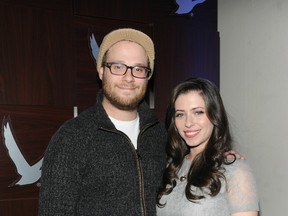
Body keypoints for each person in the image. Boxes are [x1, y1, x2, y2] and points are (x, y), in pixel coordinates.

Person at [38, 28, 167, 216]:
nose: (129, 77)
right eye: (118, 66)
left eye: (139, 69)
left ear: (147, 76)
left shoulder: (161, 134)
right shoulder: (72, 137)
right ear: (101, 71)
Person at [156, 78, 259, 216]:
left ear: (214, 115)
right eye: (180, 114)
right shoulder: (170, 166)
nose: (188, 122)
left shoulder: (236, 170)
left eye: (198, 112)